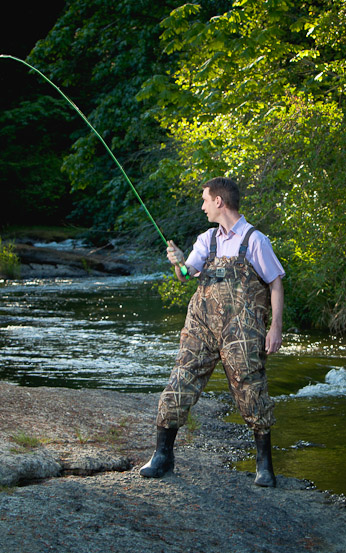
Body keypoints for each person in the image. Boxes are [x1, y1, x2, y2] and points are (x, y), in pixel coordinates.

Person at [140, 177, 285, 487]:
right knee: (179, 382)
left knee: (252, 392)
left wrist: (275, 328)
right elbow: (185, 275)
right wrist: (177, 264)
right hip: (201, 327)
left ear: (220, 201)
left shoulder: (255, 240)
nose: (202, 206)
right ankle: (162, 457)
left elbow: (275, 283)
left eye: (205, 200)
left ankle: (265, 466)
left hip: (242, 332)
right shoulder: (207, 239)